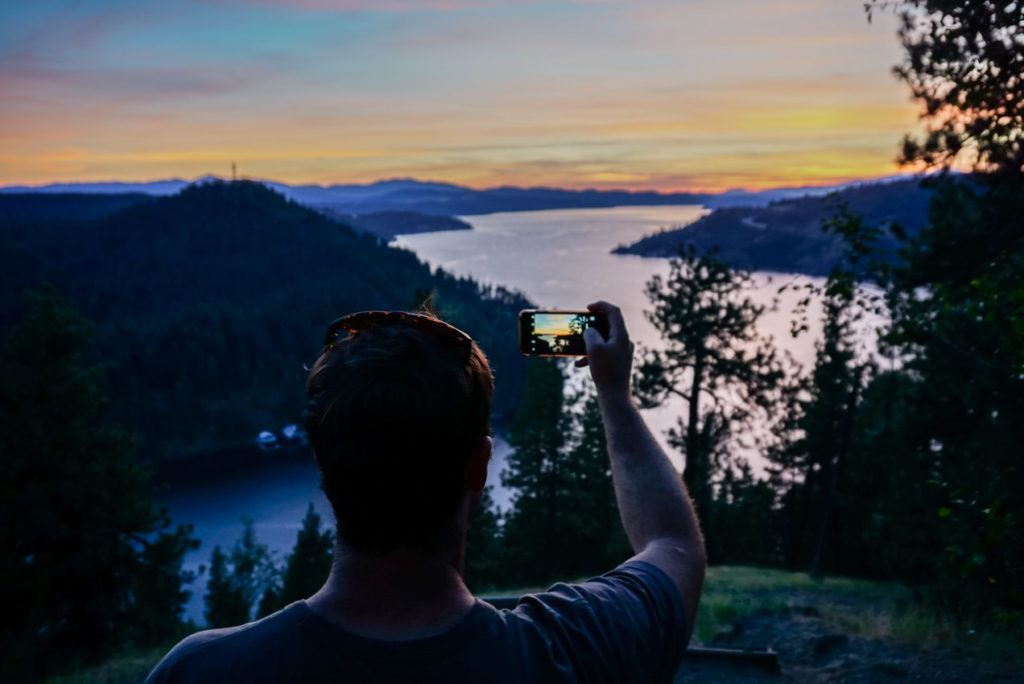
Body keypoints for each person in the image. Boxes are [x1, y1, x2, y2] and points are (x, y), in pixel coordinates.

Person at [145, 301, 706, 683]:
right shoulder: (573, 653)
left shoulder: (200, 671)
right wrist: (614, 393)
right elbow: (674, 544)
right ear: (479, 466)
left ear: (324, 461)